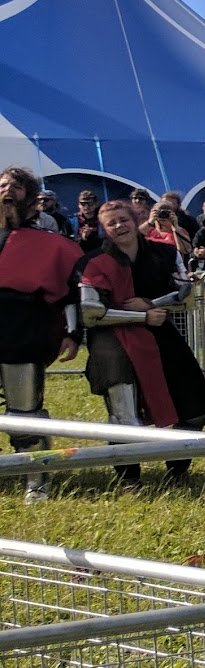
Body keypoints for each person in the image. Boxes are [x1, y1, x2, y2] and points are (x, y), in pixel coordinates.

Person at [78, 198, 205, 484]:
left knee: (197, 408)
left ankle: (177, 468)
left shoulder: (163, 252)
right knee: (124, 415)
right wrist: (141, 316)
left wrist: (150, 304)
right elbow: (91, 313)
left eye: (123, 220)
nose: (119, 226)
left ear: (135, 220)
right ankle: (129, 479)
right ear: (103, 229)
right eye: (111, 223)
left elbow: (185, 295)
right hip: (111, 340)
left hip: (160, 330)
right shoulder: (92, 261)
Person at [0, 191, 83, 499]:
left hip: (22, 330)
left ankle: (37, 482)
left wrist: (73, 333)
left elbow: (71, 292)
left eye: (14, 190)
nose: (6, 195)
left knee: (25, 416)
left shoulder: (51, 244)